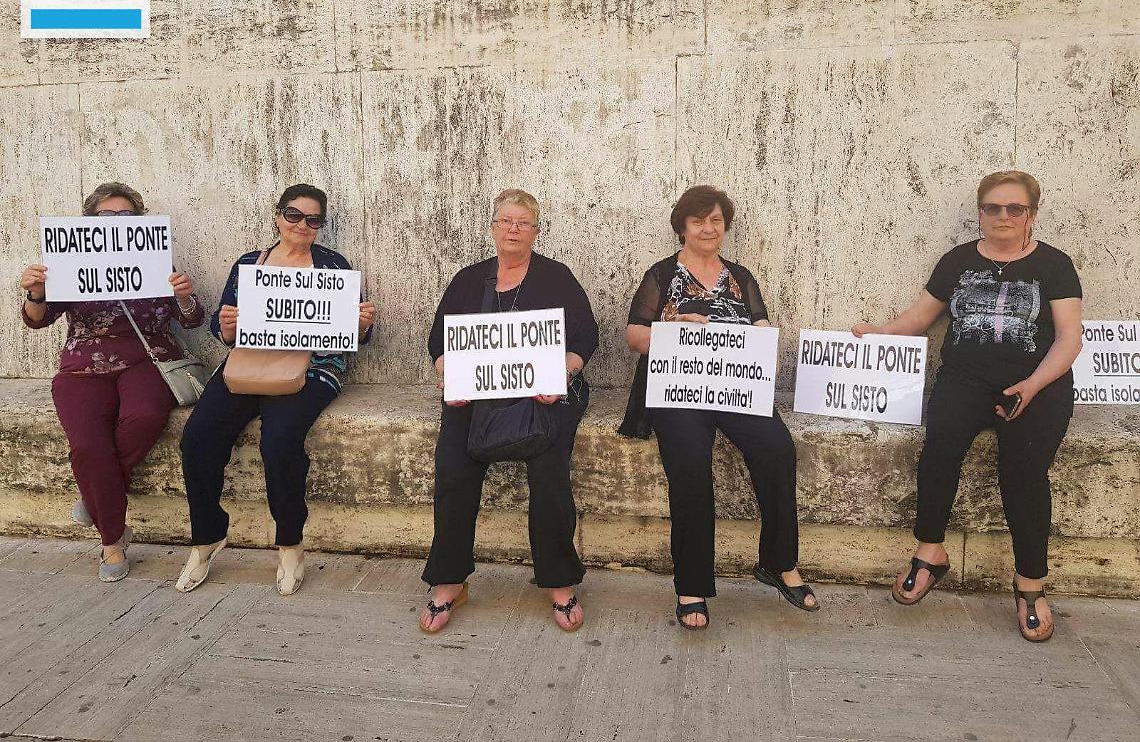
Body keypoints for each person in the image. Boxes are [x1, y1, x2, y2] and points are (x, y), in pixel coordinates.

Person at [853, 169, 1082, 642]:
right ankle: (930, 552)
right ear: (980, 213)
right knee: (939, 451)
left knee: (1023, 471)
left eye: (1014, 208)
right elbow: (921, 317)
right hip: (964, 378)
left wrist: (1032, 386)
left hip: (1037, 382)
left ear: (1031, 215)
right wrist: (877, 333)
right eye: (993, 207)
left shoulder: (1055, 265)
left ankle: (1030, 583)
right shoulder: (957, 260)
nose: (1002, 216)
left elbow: (1069, 338)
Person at [620, 185, 817, 630]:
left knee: (777, 449)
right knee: (690, 464)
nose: (709, 229)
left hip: (735, 389)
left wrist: (762, 335)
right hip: (679, 390)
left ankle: (779, 564)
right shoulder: (660, 275)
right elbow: (634, 336)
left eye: (716, 221)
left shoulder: (741, 276)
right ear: (682, 228)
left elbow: (762, 329)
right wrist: (673, 328)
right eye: (698, 221)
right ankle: (691, 586)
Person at [176, 184, 375, 596]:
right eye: (294, 215)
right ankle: (207, 535)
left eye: (313, 219)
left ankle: (290, 543)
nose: (302, 225)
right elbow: (222, 326)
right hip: (250, 364)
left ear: (320, 225)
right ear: (278, 216)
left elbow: (355, 335)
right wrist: (226, 326)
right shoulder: (250, 264)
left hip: (313, 367)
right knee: (198, 436)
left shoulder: (334, 267)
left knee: (280, 440)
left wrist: (360, 326)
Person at [419, 189, 598, 634]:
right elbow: (440, 341)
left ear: (536, 231)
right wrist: (450, 379)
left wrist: (563, 376)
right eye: (506, 221)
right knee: (453, 468)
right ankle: (449, 580)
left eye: (524, 222)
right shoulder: (468, 279)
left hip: (546, 395)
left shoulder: (557, 277)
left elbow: (585, 338)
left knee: (549, 468)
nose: (514, 229)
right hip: (478, 396)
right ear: (493, 226)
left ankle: (558, 581)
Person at [20, 182, 204, 582]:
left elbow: (192, 319)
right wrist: (36, 291)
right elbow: (38, 319)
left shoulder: (157, 259)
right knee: (87, 444)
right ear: (90, 223)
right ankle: (112, 540)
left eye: (126, 216)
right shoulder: (68, 261)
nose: (117, 223)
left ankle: (95, 498)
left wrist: (185, 296)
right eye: (107, 216)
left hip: (148, 361)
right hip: (83, 367)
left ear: (139, 222)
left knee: (144, 417)